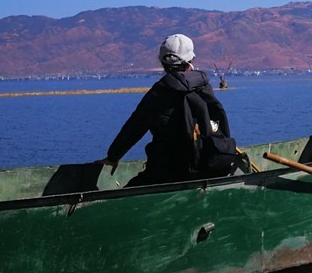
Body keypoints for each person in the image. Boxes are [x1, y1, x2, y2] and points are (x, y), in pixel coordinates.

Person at [101, 33, 235, 186]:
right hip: (209, 166)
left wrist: (113, 157)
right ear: (191, 60)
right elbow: (221, 122)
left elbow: (134, 127)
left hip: (167, 172)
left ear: (162, 63)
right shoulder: (203, 86)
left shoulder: (159, 93)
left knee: (130, 189)